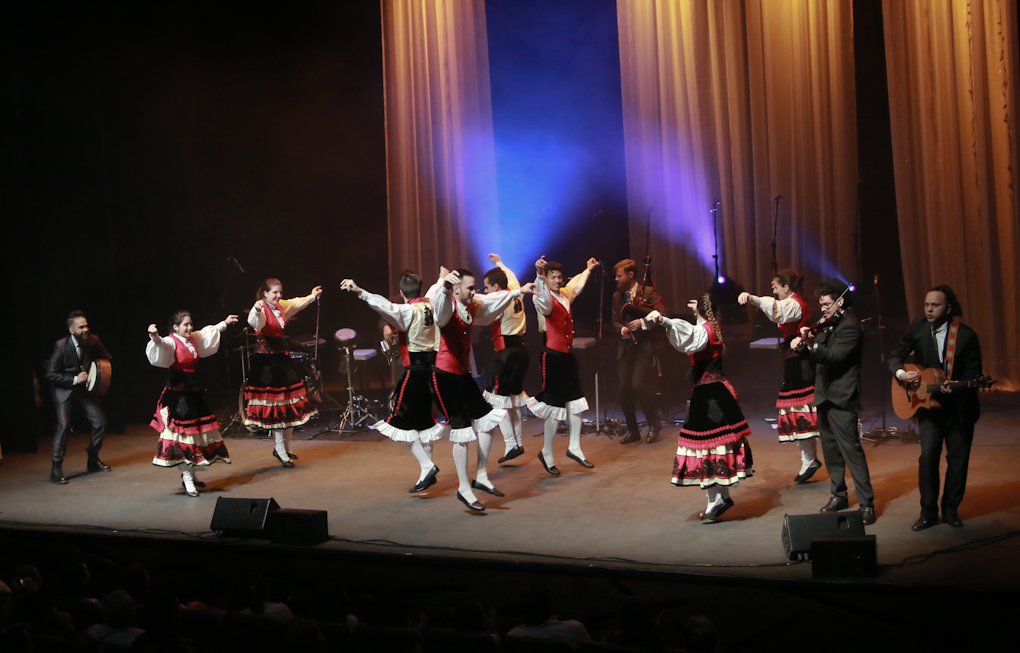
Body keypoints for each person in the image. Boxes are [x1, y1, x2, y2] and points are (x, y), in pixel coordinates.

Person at [428, 267, 533, 510]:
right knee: (463, 430)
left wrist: (518, 291)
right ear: (456, 289)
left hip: (462, 375)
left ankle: (481, 475)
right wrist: (444, 284)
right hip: (444, 376)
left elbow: (493, 299)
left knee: (488, 420)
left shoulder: (472, 304)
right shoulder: (446, 306)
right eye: (470, 288)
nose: (474, 292)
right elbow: (440, 312)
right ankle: (464, 488)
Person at [644, 296, 753, 522]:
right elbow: (693, 333)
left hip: (710, 394)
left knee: (706, 445)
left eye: (696, 311)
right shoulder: (712, 326)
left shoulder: (705, 330)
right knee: (712, 446)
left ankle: (717, 499)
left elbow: (690, 337)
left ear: (702, 312)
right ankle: (719, 498)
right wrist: (697, 312)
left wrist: (664, 320)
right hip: (713, 391)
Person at [341, 273, 446, 493]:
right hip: (430, 370)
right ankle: (425, 474)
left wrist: (359, 291)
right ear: (420, 290)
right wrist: (440, 280)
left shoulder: (407, 310)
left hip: (413, 371)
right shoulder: (430, 305)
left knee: (398, 421)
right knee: (424, 422)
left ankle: (427, 466)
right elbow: (434, 292)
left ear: (401, 293)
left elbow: (383, 305)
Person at [888, 285, 983, 530]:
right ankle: (928, 512)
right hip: (929, 408)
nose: (929, 309)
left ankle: (950, 510)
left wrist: (958, 386)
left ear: (948, 308)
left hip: (959, 409)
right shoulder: (918, 327)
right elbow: (895, 355)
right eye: (927, 305)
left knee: (958, 460)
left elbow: (974, 373)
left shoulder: (966, 336)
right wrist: (901, 374)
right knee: (928, 457)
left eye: (935, 305)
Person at [790, 279, 875, 524]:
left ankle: (866, 503)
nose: (823, 309)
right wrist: (803, 346)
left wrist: (811, 343)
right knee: (830, 451)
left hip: (842, 397)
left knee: (851, 451)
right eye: (821, 305)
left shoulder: (850, 326)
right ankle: (839, 496)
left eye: (827, 304)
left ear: (840, 301)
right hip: (824, 395)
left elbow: (835, 357)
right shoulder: (829, 324)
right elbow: (816, 355)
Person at [738, 269, 821, 482]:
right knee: (798, 407)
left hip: (800, 359)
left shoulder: (794, 303)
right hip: (793, 357)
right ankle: (809, 458)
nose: (774, 291)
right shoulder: (793, 301)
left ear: (786, 287)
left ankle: (810, 459)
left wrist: (753, 298)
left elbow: (777, 311)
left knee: (801, 406)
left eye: (775, 287)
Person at [145, 311, 237, 497]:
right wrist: (154, 337)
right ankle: (187, 478)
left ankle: (192, 476)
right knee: (184, 438)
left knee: (196, 436)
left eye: (190, 324)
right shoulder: (171, 341)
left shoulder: (192, 338)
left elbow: (207, 333)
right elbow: (161, 345)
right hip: (178, 396)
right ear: (175, 327)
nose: (189, 328)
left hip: (193, 392)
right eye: (185, 325)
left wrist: (225, 323)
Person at [527, 256, 599, 475]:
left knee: (576, 401)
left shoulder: (564, 294)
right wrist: (539, 275)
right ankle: (546, 452)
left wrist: (587, 270)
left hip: (566, 356)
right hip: (552, 357)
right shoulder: (543, 298)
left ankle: (574, 447)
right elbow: (544, 301)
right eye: (553, 277)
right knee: (554, 407)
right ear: (546, 279)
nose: (558, 281)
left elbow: (576, 284)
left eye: (559, 277)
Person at [245, 279, 322, 467]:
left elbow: (296, 303)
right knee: (277, 406)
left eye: (280, 292)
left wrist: (312, 296)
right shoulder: (261, 308)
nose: (279, 296)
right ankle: (279, 448)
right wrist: (256, 310)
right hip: (266, 363)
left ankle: (286, 447)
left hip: (281, 358)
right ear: (265, 294)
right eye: (275, 293)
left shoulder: (280, 306)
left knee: (289, 403)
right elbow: (255, 322)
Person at [45, 311, 112, 484]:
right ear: (72, 330)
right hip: (65, 388)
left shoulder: (93, 340)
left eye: (86, 326)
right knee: (64, 425)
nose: (85, 330)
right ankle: (56, 468)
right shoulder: (61, 345)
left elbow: (106, 358)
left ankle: (93, 458)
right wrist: (74, 379)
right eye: (81, 327)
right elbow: (51, 374)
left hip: (85, 388)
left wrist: (95, 371)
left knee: (100, 423)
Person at [481, 254, 530, 464]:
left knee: (498, 401)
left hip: (506, 355)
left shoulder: (500, 301)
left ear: (496, 287)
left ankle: (511, 444)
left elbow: (483, 307)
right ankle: (517, 443)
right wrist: (499, 263)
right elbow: (511, 276)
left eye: (487, 287)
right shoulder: (516, 290)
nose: (486, 291)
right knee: (513, 400)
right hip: (521, 352)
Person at [611, 259, 665, 445]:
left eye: (619, 276)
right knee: (624, 390)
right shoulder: (617, 296)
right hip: (626, 347)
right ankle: (633, 430)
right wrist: (621, 329)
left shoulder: (648, 292)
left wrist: (642, 322)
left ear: (630, 275)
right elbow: (614, 320)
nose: (616, 279)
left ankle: (654, 424)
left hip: (643, 346)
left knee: (639, 386)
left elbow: (662, 314)